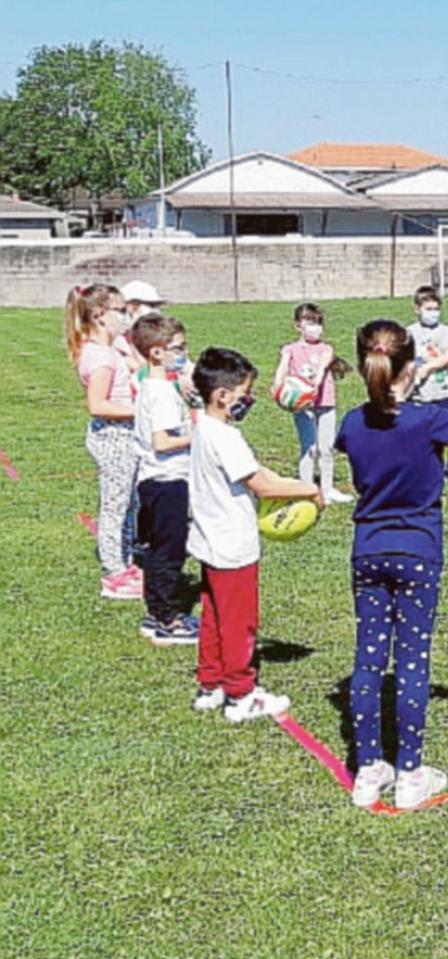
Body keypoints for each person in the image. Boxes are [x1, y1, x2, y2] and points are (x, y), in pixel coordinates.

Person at [336, 319, 448, 809]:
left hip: (368, 551)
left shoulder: (351, 423)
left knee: (369, 659)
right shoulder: (428, 420)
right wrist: (445, 434)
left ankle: (369, 768)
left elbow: (370, 450)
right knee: (412, 660)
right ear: (409, 367)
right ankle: (410, 773)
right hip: (418, 552)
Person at [188, 347, 322, 722]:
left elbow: (257, 472)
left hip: (208, 540)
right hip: (232, 545)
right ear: (222, 396)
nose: (248, 400)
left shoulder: (204, 425)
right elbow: (261, 485)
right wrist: (310, 491)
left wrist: (290, 481)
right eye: (244, 393)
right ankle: (241, 695)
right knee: (239, 623)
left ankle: (210, 684)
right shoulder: (226, 438)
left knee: (214, 617)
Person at [65, 283, 143, 600]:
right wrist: (139, 412)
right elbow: (98, 405)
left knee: (130, 504)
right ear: (100, 315)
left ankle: (127, 561)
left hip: (126, 436)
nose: (127, 316)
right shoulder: (100, 358)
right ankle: (115, 572)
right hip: (113, 437)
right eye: (120, 311)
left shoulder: (112, 349)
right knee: (115, 505)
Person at [129, 313, 199, 645]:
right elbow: (162, 442)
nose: (184, 353)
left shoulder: (154, 386)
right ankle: (167, 619)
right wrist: (197, 434)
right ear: (157, 352)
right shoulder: (159, 392)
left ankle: (156, 611)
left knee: (160, 548)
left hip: (156, 480)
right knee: (169, 551)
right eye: (179, 348)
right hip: (167, 479)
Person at [273, 303, 352, 504]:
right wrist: (277, 386)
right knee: (309, 447)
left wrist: (313, 386)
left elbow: (322, 368)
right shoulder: (290, 349)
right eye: (309, 322)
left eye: (318, 323)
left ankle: (327, 489)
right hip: (302, 406)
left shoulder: (327, 348)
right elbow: (282, 370)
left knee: (326, 447)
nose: (314, 327)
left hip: (325, 402)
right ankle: (306, 489)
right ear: (298, 326)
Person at [406, 285, 448, 483]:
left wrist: (427, 369)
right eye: (428, 309)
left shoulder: (444, 331)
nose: (433, 313)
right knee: (419, 432)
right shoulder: (409, 332)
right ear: (417, 309)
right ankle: (423, 467)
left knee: (444, 429)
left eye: (435, 309)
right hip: (418, 393)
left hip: (441, 390)